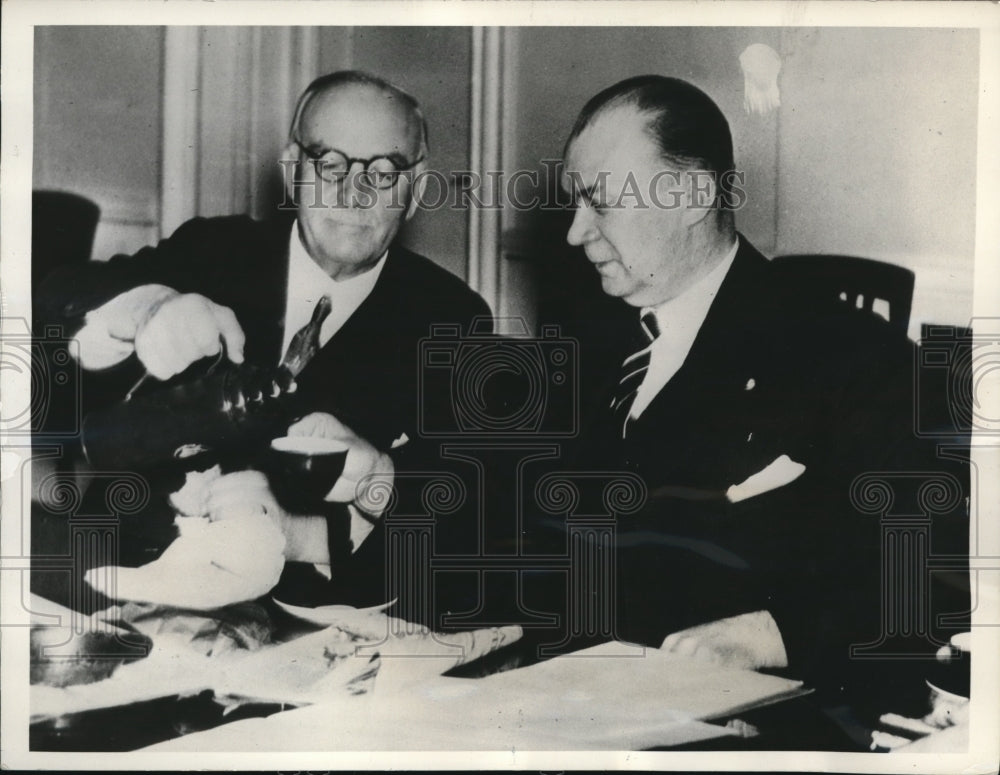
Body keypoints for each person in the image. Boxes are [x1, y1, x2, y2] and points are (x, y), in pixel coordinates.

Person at [550, 75, 969, 710]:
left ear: (693, 197)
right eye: (572, 202)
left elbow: (932, 576)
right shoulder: (585, 344)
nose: (574, 232)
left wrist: (769, 632)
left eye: (599, 201)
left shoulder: (852, 355)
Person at [34, 70, 491, 614]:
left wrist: (316, 523)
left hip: (301, 625)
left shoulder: (452, 319)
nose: (356, 192)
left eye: (385, 170)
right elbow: (51, 300)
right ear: (293, 170)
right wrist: (145, 308)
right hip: (118, 578)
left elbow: (463, 515)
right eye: (331, 164)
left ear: (414, 188)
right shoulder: (214, 249)